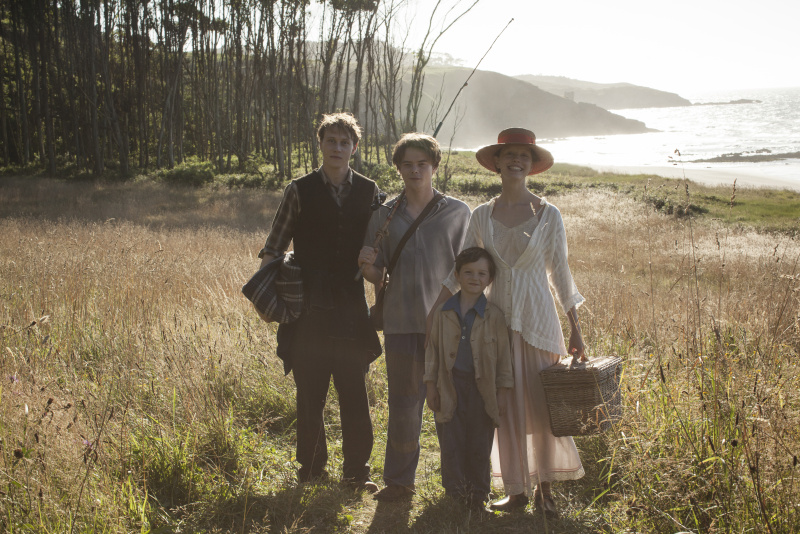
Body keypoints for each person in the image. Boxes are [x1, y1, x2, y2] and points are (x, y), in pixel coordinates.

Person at [429, 127, 587, 519]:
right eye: (509, 155)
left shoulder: (549, 215)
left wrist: (576, 328)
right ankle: (516, 490)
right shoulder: (482, 215)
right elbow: (464, 266)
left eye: (524, 156)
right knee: (503, 407)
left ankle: (545, 491)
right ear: (497, 163)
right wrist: (437, 306)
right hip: (494, 329)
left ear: (531, 165)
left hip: (539, 326)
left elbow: (561, 274)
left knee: (541, 410)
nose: (516, 161)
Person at [254, 112, 382, 492]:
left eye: (345, 142)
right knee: (310, 395)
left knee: (354, 393)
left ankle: (356, 473)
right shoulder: (299, 190)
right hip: (307, 309)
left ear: (354, 148)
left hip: (351, 310)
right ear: (320, 144)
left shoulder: (370, 192)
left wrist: (381, 298)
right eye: (331, 141)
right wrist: (266, 299)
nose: (337, 148)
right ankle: (310, 472)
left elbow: (380, 252)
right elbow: (274, 248)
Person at [358, 133, 470, 501]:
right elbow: (377, 273)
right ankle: (399, 482)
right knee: (404, 405)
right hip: (402, 322)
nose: (415, 170)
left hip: (449, 325)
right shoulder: (384, 214)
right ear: (398, 168)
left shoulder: (458, 212)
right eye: (407, 164)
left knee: (450, 405)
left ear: (435, 166)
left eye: (422, 164)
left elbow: (470, 270)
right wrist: (367, 267)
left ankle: (458, 485)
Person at [424, 247, 513, 509]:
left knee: (479, 442)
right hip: (450, 386)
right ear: (457, 275)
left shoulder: (494, 316)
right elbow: (433, 352)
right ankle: (455, 494)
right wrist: (431, 386)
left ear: (490, 279)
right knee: (451, 440)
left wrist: (502, 393)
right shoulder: (443, 312)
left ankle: (478, 495)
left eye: (481, 274)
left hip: (481, 390)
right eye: (468, 272)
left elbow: (504, 360)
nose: (475, 278)